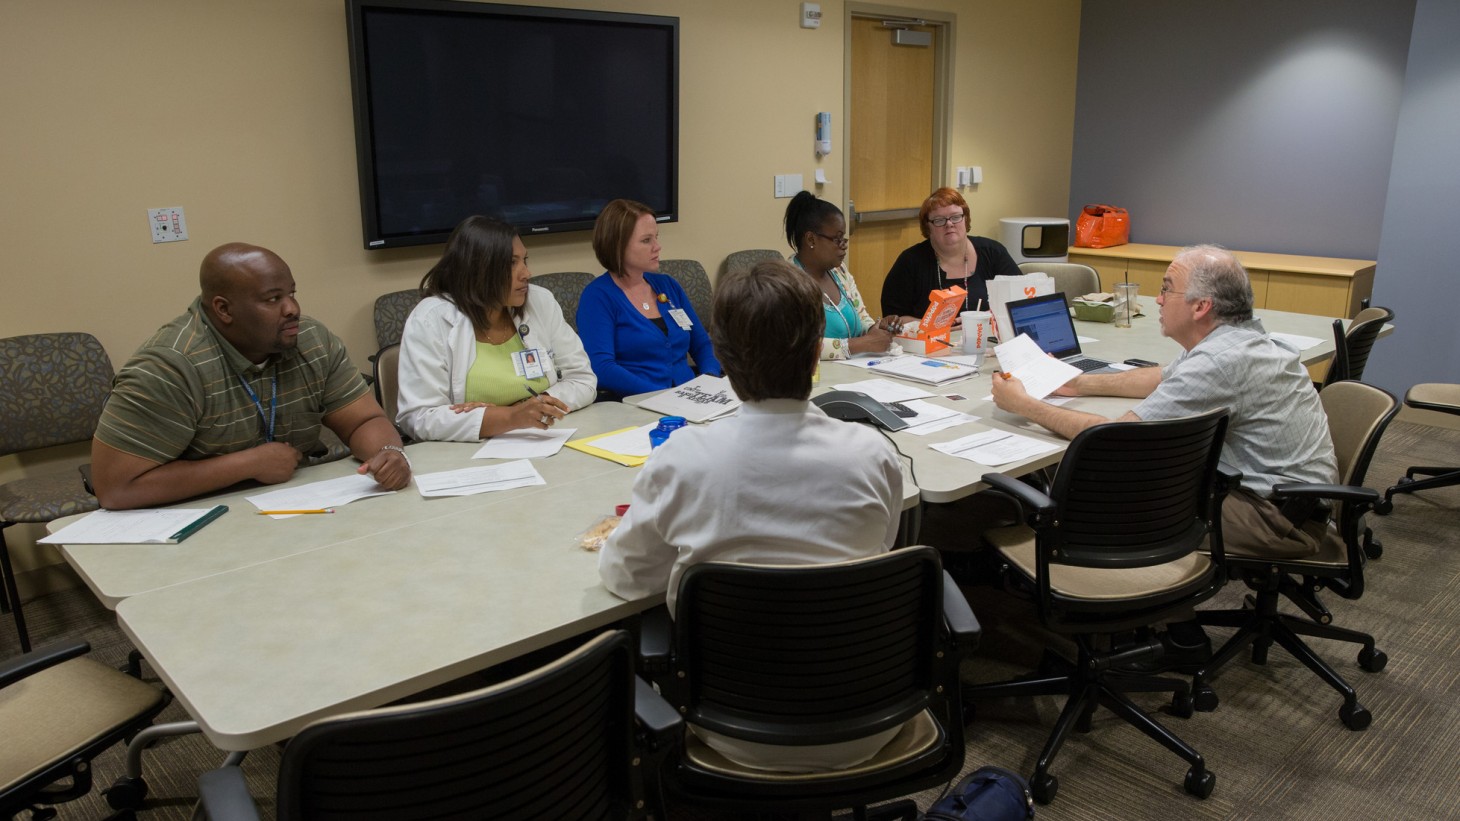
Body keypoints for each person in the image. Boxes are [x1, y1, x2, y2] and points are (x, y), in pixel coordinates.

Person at [598, 258, 904, 773]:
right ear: (815, 355)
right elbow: (882, 552)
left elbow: (624, 578)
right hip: (871, 718)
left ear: (719, 355)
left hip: (729, 729)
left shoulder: (683, 459)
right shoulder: (873, 454)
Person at [989, 244, 1340, 560]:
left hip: (1275, 520)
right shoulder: (1235, 341)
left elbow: (1114, 437)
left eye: (1166, 289)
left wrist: (1023, 404)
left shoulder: (1220, 362)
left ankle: (1155, 613)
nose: (1157, 299)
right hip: (1284, 498)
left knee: (1099, 489)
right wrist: (1078, 383)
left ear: (1201, 306)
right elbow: (1162, 376)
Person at [91, 243, 411, 510]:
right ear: (224, 310)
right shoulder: (170, 367)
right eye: (273, 299)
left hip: (293, 506)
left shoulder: (312, 341)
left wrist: (388, 453)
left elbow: (362, 421)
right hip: (196, 513)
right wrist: (248, 465)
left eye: (292, 293)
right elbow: (116, 488)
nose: (292, 308)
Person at [395, 215, 596, 442]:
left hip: (541, 439)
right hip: (463, 455)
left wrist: (532, 407)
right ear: (478, 269)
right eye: (512, 263)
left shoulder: (540, 301)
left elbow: (582, 380)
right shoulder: (431, 319)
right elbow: (418, 417)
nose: (526, 274)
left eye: (525, 260)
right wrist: (507, 417)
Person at [576, 199, 720, 397]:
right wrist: (662, 396)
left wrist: (709, 380)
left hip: (691, 398)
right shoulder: (598, 297)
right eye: (646, 240)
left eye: (656, 238)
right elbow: (602, 368)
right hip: (637, 404)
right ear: (617, 245)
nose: (657, 247)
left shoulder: (668, 285)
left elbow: (702, 344)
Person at [783, 191, 899, 360]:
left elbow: (861, 317)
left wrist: (876, 329)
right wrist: (863, 344)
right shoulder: (787, 283)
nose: (844, 246)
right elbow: (798, 346)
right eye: (837, 239)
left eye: (844, 239)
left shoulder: (839, 272)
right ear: (811, 240)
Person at [880, 187, 1021, 326]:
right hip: (927, 344)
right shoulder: (910, 262)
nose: (949, 224)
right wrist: (936, 326)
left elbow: (1021, 301)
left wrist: (983, 318)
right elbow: (893, 319)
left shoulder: (993, 252)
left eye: (956, 217)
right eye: (939, 220)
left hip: (985, 340)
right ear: (928, 227)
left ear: (965, 219)